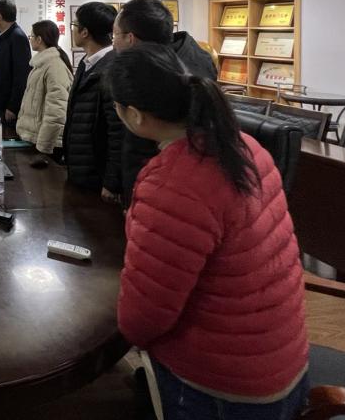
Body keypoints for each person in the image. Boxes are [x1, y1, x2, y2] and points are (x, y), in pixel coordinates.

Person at [109, 43, 308, 419]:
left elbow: (141, 319)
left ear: (134, 115)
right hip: (283, 361)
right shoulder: (245, 146)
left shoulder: (172, 184)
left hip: (222, 388)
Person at [105, 0, 217, 205]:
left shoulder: (153, 74)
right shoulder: (196, 57)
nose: (113, 43)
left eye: (115, 34)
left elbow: (142, 146)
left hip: (159, 190)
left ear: (131, 38)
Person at [62, 2, 124, 190]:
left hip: (97, 175)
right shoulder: (86, 64)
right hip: (81, 168)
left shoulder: (112, 69)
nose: (72, 30)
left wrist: (112, 182)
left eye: (74, 25)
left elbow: (117, 132)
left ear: (84, 32)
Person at [16, 20, 73, 160]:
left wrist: (43, 148)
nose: (30, 40)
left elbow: (56, 112)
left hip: (47, 147)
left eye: (31, 36)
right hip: (35, 141)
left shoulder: (54, 67)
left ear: (39, 39)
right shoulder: (41, 65)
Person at [0, 0, 31, 123]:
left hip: (6, 109)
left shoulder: (17, 37)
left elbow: (21, 76)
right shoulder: (3, 36)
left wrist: (13, 106)